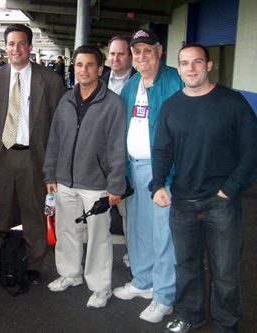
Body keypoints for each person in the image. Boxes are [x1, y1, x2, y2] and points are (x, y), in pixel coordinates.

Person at [152, 44, 257, 333]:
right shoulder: (172, 105)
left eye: (198, 62)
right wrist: (158, 183)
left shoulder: (232, 102)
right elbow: (162, 149)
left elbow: (251, 149)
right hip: (183, 201)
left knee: (225, 271)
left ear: (209, 66)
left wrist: (232, 187)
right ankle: (190, 314)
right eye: (185, 63)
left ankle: (226, 324)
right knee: (186, 265)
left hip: (220, 202)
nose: (191, 68)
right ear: (180, 68)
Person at [43, 45, 127, 308]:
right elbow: (54, 140)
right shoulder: (66, 100)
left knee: (99, 237)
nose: (84, 70)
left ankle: (101, 287)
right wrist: (50, 174)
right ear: (74, 68)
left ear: (100, 69)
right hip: (64, 181)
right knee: (66, 230)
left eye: (90, 65)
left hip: (96, 184)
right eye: (79, 65)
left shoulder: (113, 103)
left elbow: (117, 147)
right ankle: (70, 274)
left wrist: (115, 184)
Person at [112, 29, 183, 324]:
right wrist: (125, 173)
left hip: (161, 171)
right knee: (139, 229)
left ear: (159, 51)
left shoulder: (173, 81)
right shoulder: (130, 87)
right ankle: (142, 281)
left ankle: (164, 295)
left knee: (163, 234)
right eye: (137, 51)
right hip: (135, 166)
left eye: (147, 51)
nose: (142, 57)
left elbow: (182, 132)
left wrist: (167, 178)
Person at [0, 24, 64, 284]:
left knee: (33, 214)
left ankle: (34, 265)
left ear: (30, 47)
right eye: (11, 43)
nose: (15, 48)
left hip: (34, 157)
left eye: (21, 43)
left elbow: (57, 125)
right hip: (3, 156)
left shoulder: (50, 79)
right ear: (5, 47)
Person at [101, 35, 137, 281]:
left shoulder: (140, 81)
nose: (115, 58)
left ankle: (135, 257)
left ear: (130, 56)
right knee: (99, 211)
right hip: (100, 158)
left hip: (128, 158)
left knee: (129, 213)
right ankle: (99, 260)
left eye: (121, 54)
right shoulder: (99, 79)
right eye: (112, 54)